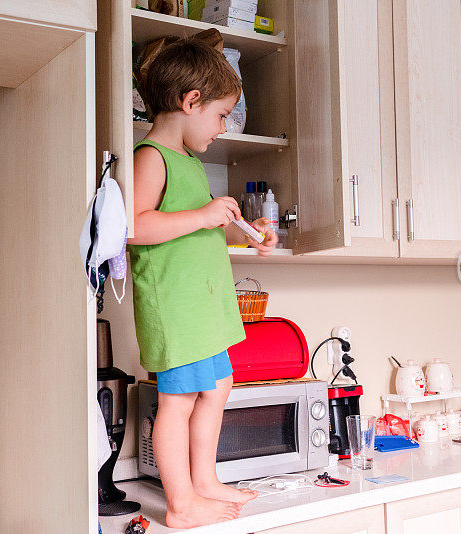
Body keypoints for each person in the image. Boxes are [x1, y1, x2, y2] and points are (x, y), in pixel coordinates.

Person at [127, 37, 277, 529]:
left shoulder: (189, 162)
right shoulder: (151, 157)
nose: (222, 127)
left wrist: (247, 235)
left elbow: (193, 233)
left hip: (202, 309)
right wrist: (204, 214)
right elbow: (136, 227)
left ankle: (204, 480)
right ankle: (180, 504)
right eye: (220, 115)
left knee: (218, 385)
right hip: (177, 308)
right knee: (178, 401)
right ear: (190, 102)